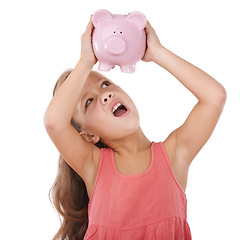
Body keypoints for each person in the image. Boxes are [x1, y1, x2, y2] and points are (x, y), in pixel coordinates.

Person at [44, 15, 226, 240]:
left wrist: (157, 52)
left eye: (105, 84)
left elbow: (214, 97)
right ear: (88, 135)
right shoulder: (92, 166)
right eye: (88, 102)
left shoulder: (174, 155)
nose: (105, 94)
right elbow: (54, 122)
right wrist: (85, 61)